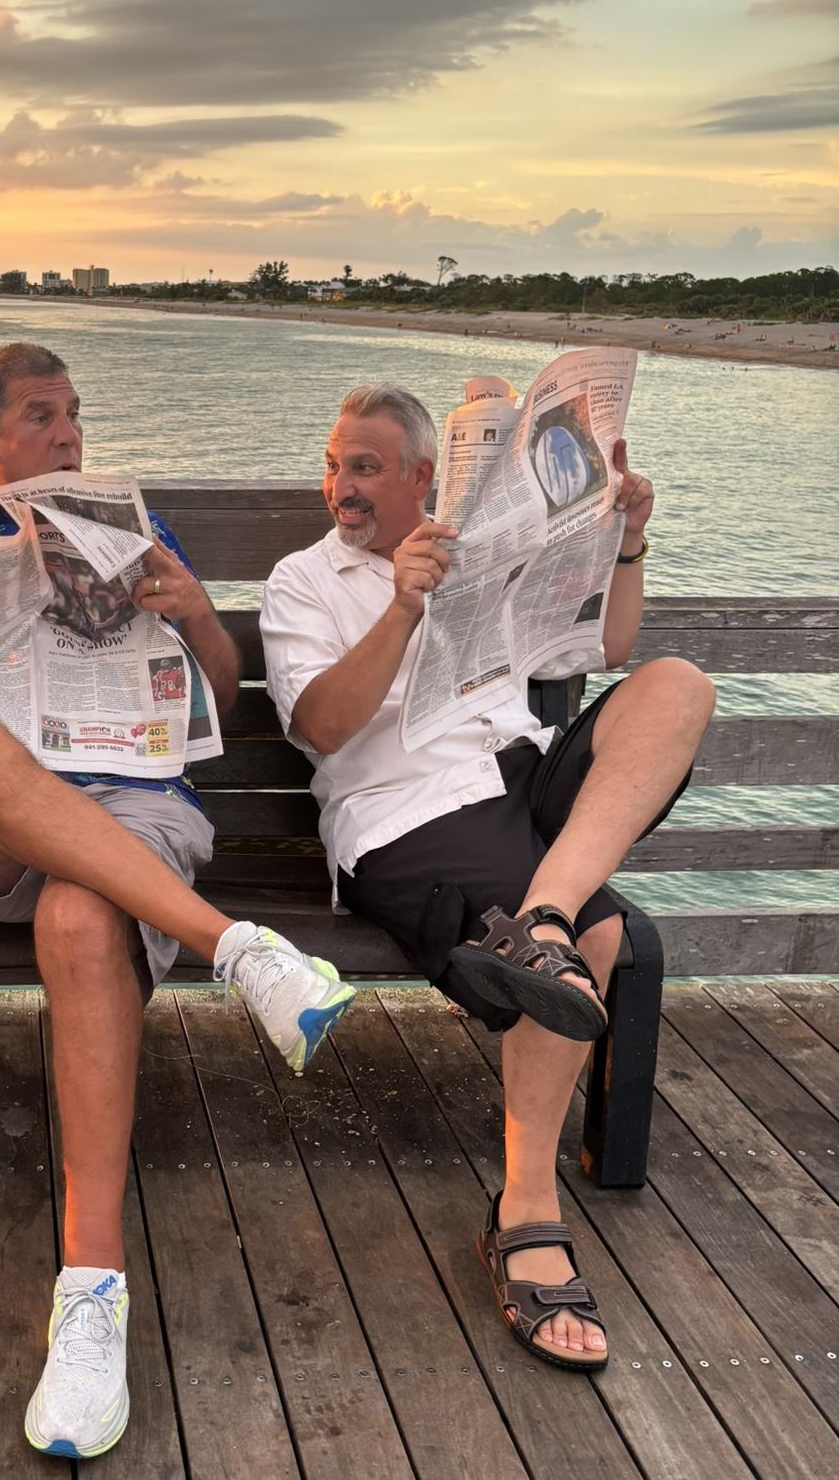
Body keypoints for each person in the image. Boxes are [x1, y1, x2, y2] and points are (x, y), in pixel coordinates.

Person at [0, 342, 356, 1459]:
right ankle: (237, 949)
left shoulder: (140, 534)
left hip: (132, 811)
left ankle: (91, 1293)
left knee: (81, 913)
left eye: (74, 414)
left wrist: (199, 618)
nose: (68, 435)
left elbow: (210, 710)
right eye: (40, 416)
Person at [260, 383, 714, 1373]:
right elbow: (323, 728)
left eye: (367, 466)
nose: (343, 484)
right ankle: (527, 1209)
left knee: (678, 685)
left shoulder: (488, 561)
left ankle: (542, 910)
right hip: (409, 811)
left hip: (528, 782)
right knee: (593, 945)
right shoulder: (304, 581)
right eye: (336, 463)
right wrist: (401, 606)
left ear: (427, 477)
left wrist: (627, 538)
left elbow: (612, 649)